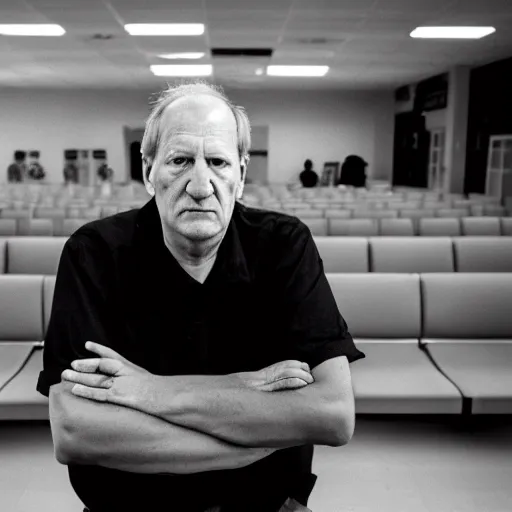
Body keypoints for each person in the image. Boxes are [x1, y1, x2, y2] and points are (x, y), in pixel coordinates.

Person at [37, 82, 365, 512]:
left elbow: (333, 415)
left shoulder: (285, 246)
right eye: (179, 160)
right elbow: (76, 431)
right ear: (148, 170)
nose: (200, 184)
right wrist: (253, 428)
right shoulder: (93, 254)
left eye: (217, 162)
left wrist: (150, 391)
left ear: (241, 176)